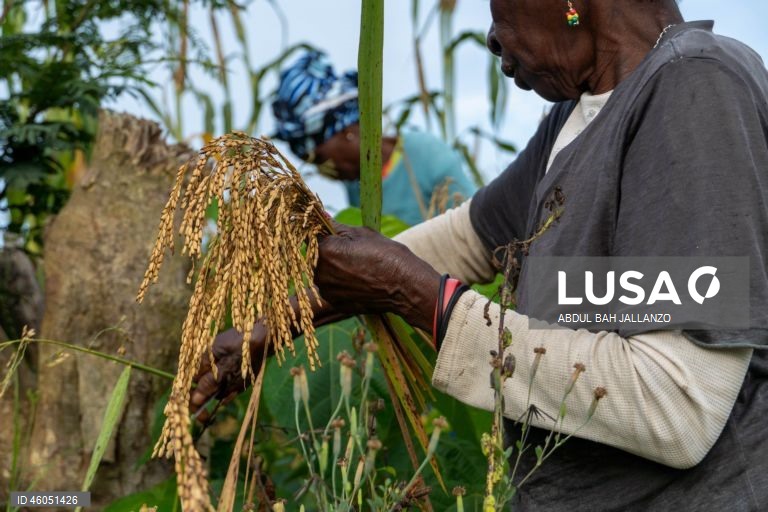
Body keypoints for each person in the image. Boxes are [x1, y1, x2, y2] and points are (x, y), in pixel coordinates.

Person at [192, 1, 768, 510]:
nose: (491, 34)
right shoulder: (577, 116)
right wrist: (272, 327)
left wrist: (421, 299)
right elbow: (466, 239)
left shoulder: (694, 87)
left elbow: (679, 407)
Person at [271, 50, 477, 226]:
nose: (323, 171)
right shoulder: (356, 184)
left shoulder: (427, 155)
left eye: (320, 158)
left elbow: (474, 229)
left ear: (346, 132)